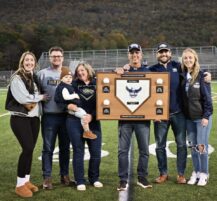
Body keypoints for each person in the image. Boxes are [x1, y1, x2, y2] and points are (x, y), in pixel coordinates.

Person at [149, 42, 211, 184]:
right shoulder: (151, 69)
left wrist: (207, 73)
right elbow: (138, 74)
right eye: (161, 52)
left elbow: (194, 68)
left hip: (179, 113)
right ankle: (163, 173)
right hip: (160, 115)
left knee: (182, 144)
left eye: (166, 51)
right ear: (157, 54)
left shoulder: (178, 66)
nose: (164, 54)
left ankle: (181, 174)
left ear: (170, 53)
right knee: (160, 146)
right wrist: (126, 68)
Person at [5, 51, 48, 198]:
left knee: (30, 150)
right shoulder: (17, 77)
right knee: (27, 148)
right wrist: (41, 97)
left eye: (32, 60)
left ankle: (26, 181)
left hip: (34, 118)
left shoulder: (33, 77)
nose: (29, 62)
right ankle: (19, 185)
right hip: (20, 118)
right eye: (27, 60)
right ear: (22, 62)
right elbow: (23, 98)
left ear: (35, 63)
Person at [115, 43, 152, 191]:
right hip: (125, 119)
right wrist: (116, 71)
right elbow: (111, 84)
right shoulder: (122, 71)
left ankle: (142, 177)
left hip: (143, 119)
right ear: (128, 55)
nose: (135, 55)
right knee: (122, 151)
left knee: (144, 150)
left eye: (137, 53)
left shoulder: (148, 70)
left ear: (141, 55)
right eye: (132, 53)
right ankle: (123, 179)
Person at [37, 46, 70, 189]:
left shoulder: (69, 72)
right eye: (53, 56)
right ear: (50, 58)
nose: (56, 58)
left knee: (65, 148)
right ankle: (47, 178)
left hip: (66, 116)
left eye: (59, 56)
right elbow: (34, 92)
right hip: (49, 116)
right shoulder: (42, 74)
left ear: (63, 57)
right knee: (48, 148)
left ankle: (64, 175)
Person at [67, 62, 103, 191]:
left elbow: (103, 102)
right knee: (78, 151)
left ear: (88, 70)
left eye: (83, 70)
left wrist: (91, 116)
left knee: (96, 152)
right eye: (78, 71)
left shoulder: (97, 82)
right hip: (75, 121)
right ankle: (80, 180)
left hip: (93, 121)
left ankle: (94, 178)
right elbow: (63, 98)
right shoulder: (73, 84)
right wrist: (67, 106)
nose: (81, 73)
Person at [180, 48, 213, 186]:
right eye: (185, 58)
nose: (188, 60)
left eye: (190, 58)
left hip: (201, 118)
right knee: (193, 146)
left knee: (201, 146)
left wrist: (206, 116)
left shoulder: (202, 75)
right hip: (189, 119)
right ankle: (197, 171)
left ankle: (204, 173)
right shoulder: (183, 75)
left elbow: (208, 100)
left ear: (195, 59)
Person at [54, 66, 97, 139]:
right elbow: (65, 97)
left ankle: (87, 131)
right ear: (61, 78)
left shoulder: (69, 85)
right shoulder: (64, 87)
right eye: (66, 77)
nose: (68, 79)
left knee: (83, 115)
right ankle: (87, 131)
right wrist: (75, 95)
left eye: (70, 77)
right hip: (73, 110)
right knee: (84, 116)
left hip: (85, 114)